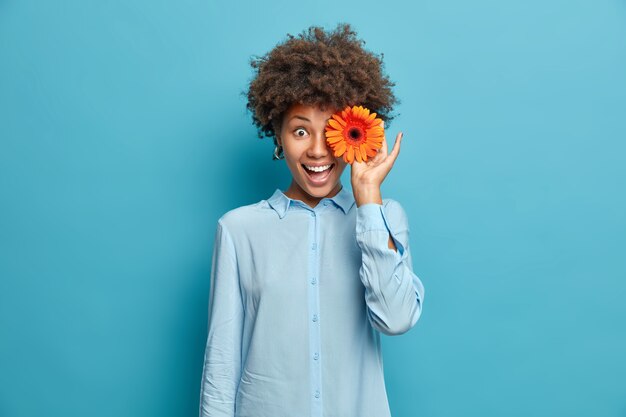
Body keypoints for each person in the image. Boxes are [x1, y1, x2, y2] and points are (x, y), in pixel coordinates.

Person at [199, 23, 425, 417]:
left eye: (331, 132)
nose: (318, 150)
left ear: (355, 135)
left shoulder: (386, 217)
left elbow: (396, 319)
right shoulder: (238, 231)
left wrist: (368, 199)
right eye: (300, 130)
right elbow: (221, 364)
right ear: (277, 137)